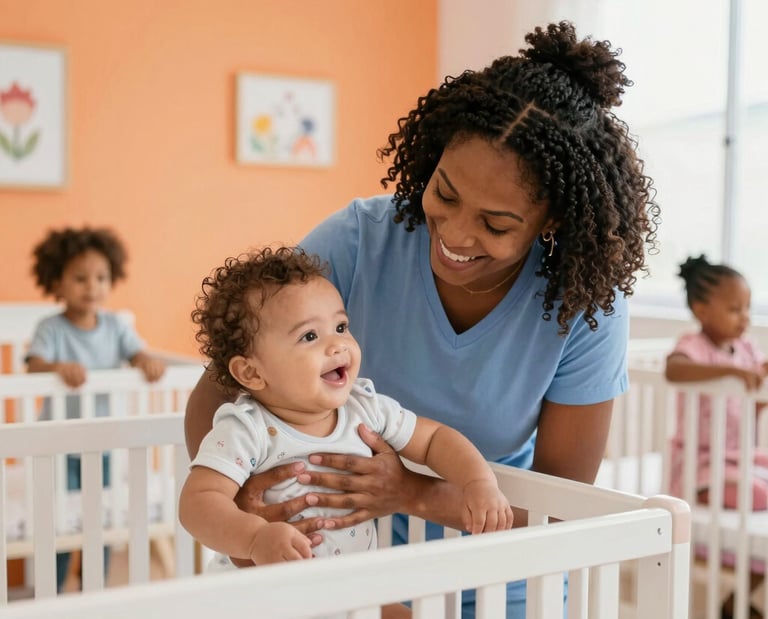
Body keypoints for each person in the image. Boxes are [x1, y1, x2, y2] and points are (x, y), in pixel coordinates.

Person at [185, 21, 659, 618]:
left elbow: (558, 506)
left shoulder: (582, 305)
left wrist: (411, 493)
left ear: (552, 223)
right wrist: (247, 528)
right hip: (354, 563)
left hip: (503, 566)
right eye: (446, 193)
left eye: (496, 224)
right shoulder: (359, 242)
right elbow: (220, 393)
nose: (456, 236)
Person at [179, 247, 513, 619]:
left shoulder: (364, 407)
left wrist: (477, 481)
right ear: (252, 374)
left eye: (340, 327)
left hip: (351, 591)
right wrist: (255, 538)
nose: (337, 344)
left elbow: (434, 439)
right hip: (264, 597)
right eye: (309, 336)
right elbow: (198, 503)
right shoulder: (248, 428)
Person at [26, 226, 167, 591]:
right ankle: (51, 588)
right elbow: (33, 364)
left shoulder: (116, 327)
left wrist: (144, 361)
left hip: (102, 442)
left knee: (98, 519)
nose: (92, 286)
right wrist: (56, 368)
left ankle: (94, 585)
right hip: (57, 442)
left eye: (101, 278)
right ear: (56, 282)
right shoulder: (51, 329)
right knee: (59, 521)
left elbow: (137, 352)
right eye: (80, 278)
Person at [665, 255, 767, 619]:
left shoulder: (747, 349)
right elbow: (673, 370)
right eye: (734, 309)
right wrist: (730, 373)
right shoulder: (693, 345)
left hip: (739, 453)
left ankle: (736, 601)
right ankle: (704, 490)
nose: (744, 318)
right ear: (701, 309)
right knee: (756, 492)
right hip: (701, 460)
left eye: (747, 309)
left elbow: (750, 404)